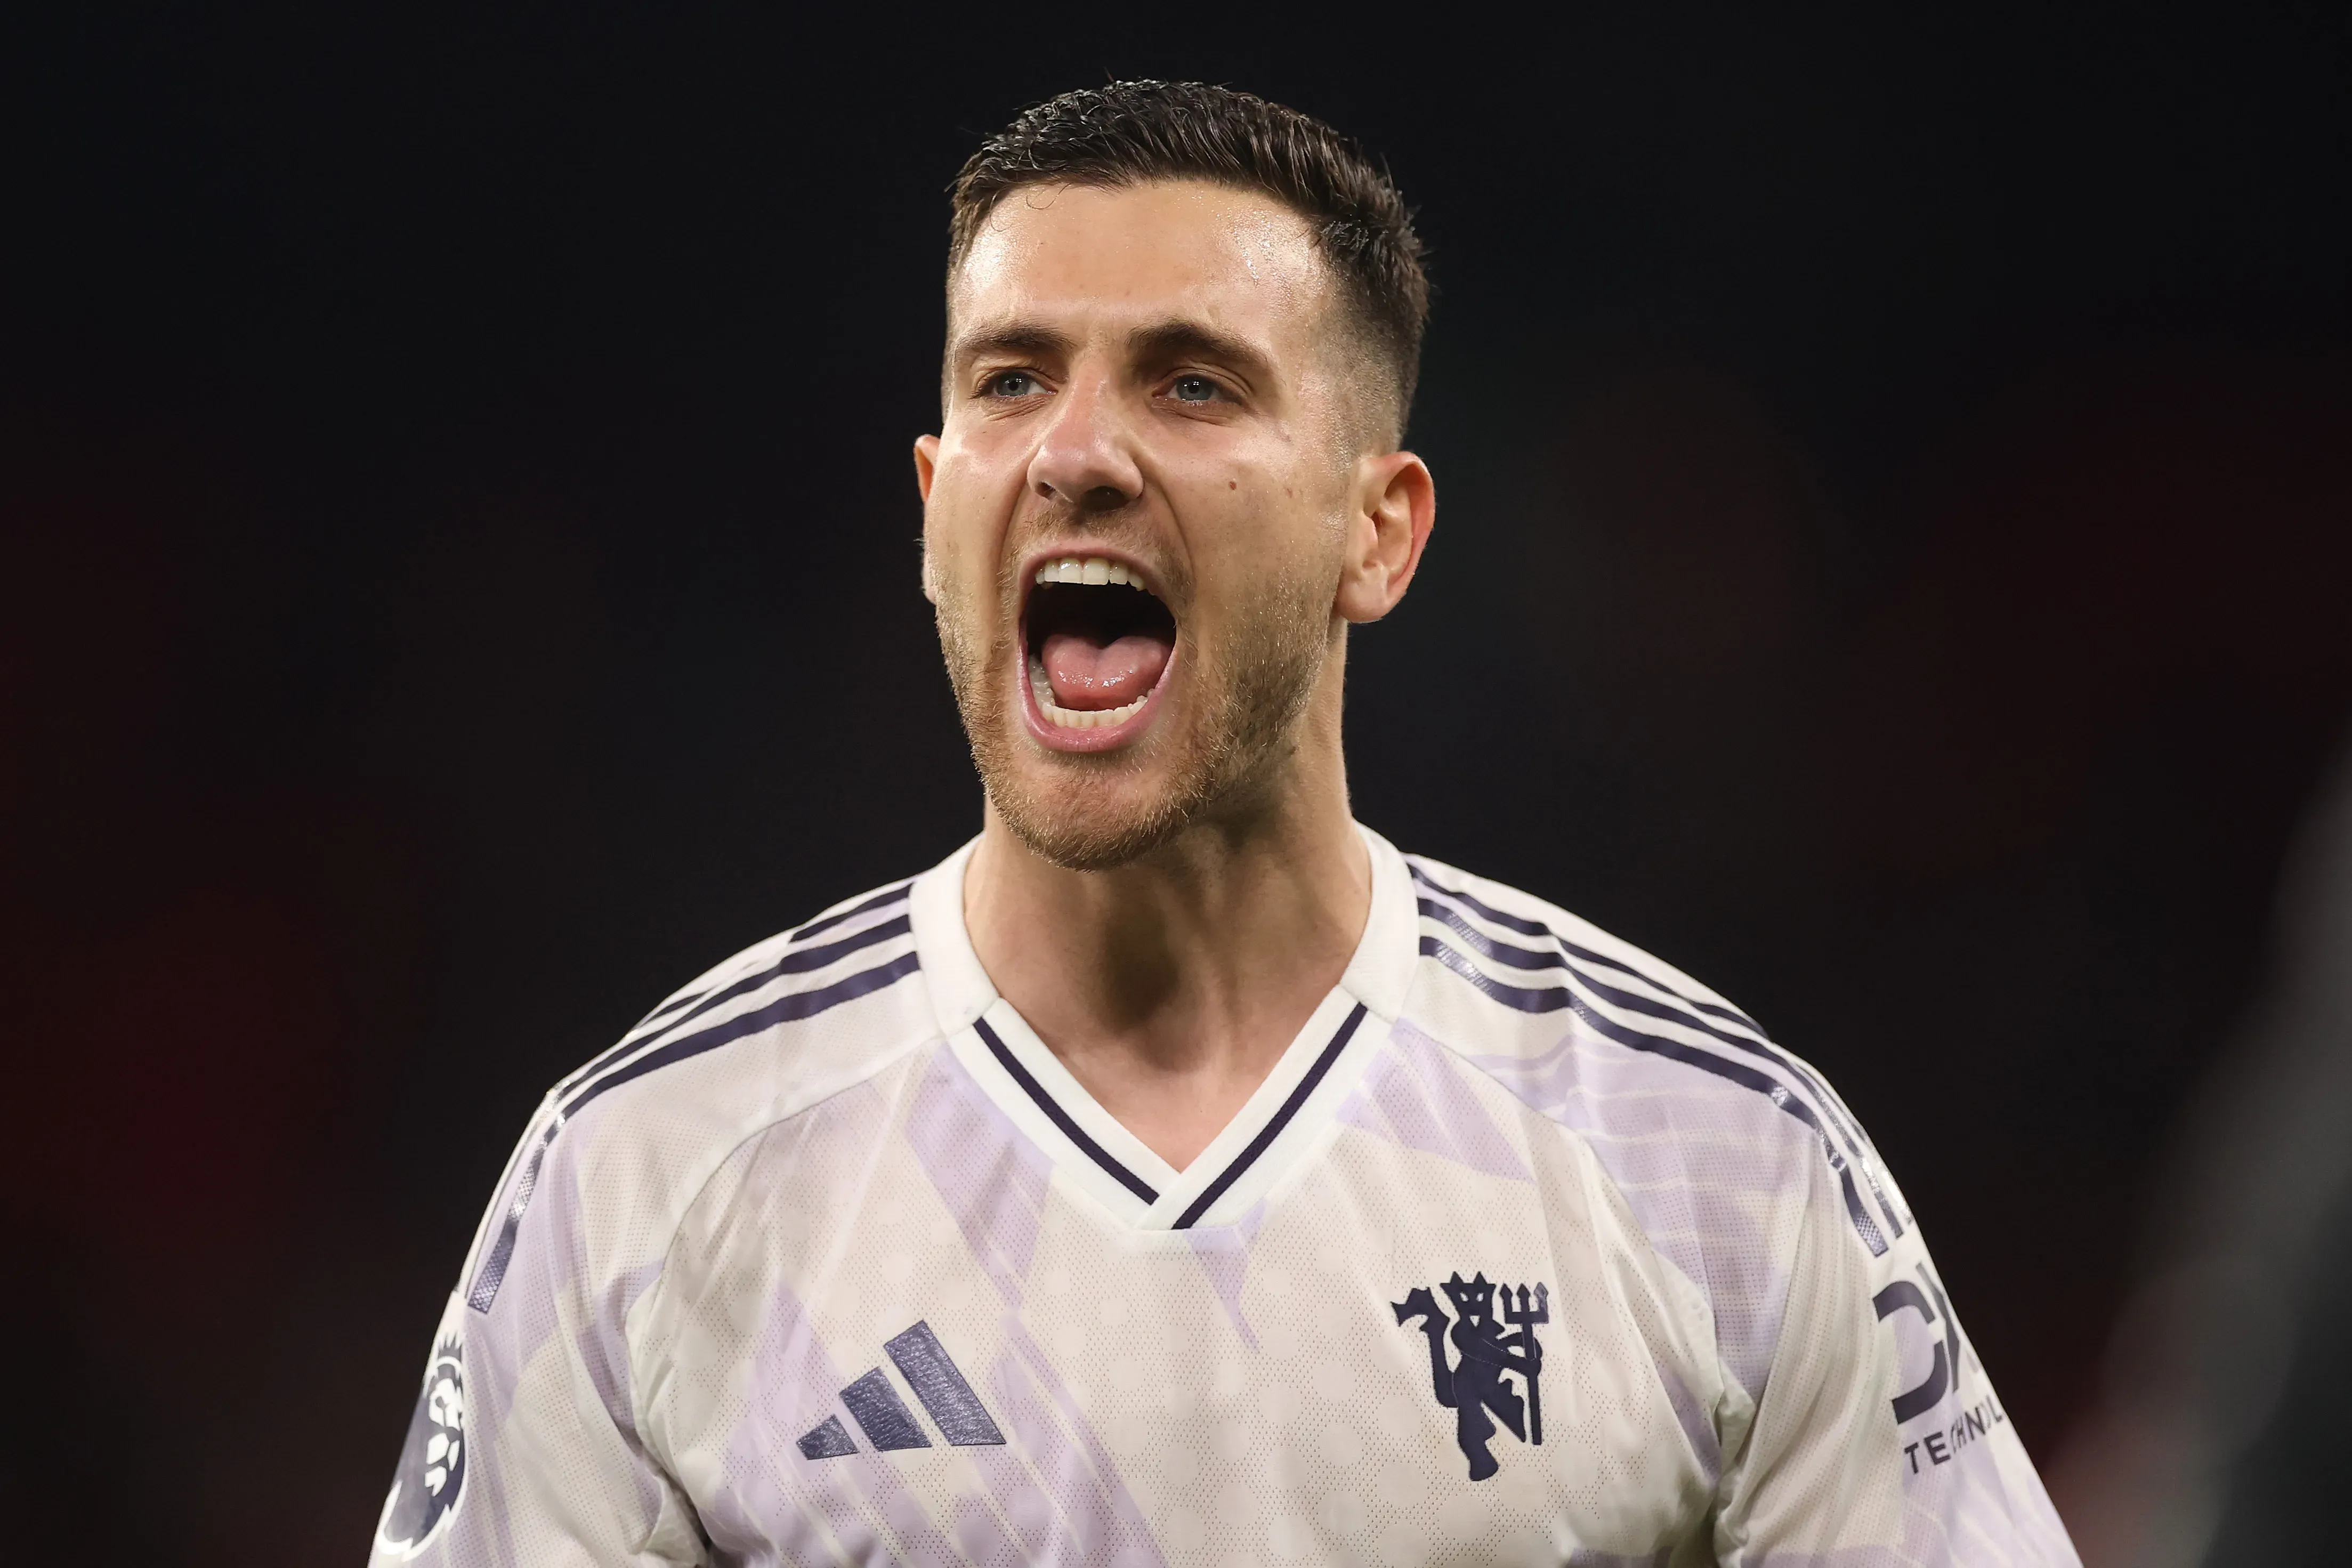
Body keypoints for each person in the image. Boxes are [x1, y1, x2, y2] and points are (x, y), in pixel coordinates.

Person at [370, 82, 2077, 1566]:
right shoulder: (646, 1174)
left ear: (1378, 531)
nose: (1078, 452)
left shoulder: (1714, 1157)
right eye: (1012, 379)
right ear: (930, 500)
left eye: (1191, 384)